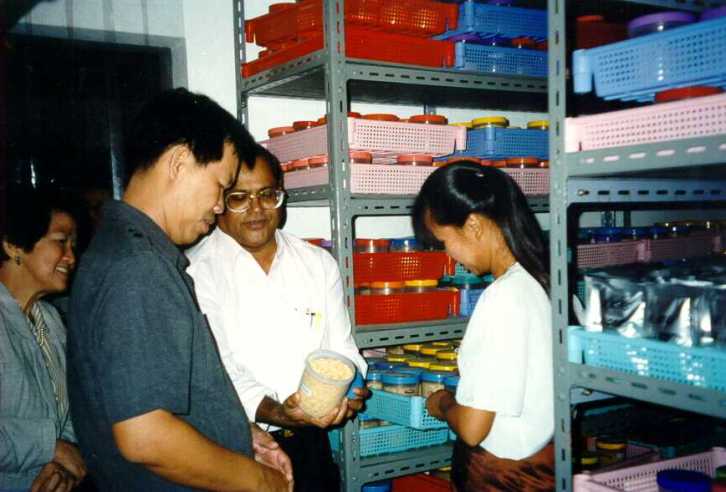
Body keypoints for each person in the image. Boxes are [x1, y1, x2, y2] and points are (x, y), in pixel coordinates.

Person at [66, 88, 292, 491]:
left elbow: (164, 395)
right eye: (220, 185)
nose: (220, 206)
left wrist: (241, 435)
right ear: (179, 163)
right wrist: (260, 482)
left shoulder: (128, 250)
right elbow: (146, 437)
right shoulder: (138, 267)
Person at [186, 145, 368, 492]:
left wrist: (351, 390)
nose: (256, 209)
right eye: (239, 198)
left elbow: (342, 351)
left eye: (267, 195)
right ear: (219, 202)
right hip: (238, 445)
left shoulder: (317, 263)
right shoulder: (196, 272)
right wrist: (281, 413)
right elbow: (220, 374)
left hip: (310, 444)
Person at [412, 163, 554, 492]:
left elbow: (473, 428)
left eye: (444, 241)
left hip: (505, 475)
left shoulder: (502, 297)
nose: (450, 256)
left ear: (473, 225)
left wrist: (442, 404)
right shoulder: (544, 281)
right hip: (541, 462)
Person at [0, 187, 87, 491]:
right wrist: (48, 446)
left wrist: (65, 463)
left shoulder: (50, 320)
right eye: (61, 241)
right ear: (14, 245)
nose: (71, 257)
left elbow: (71, 409)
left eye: (73, 245)